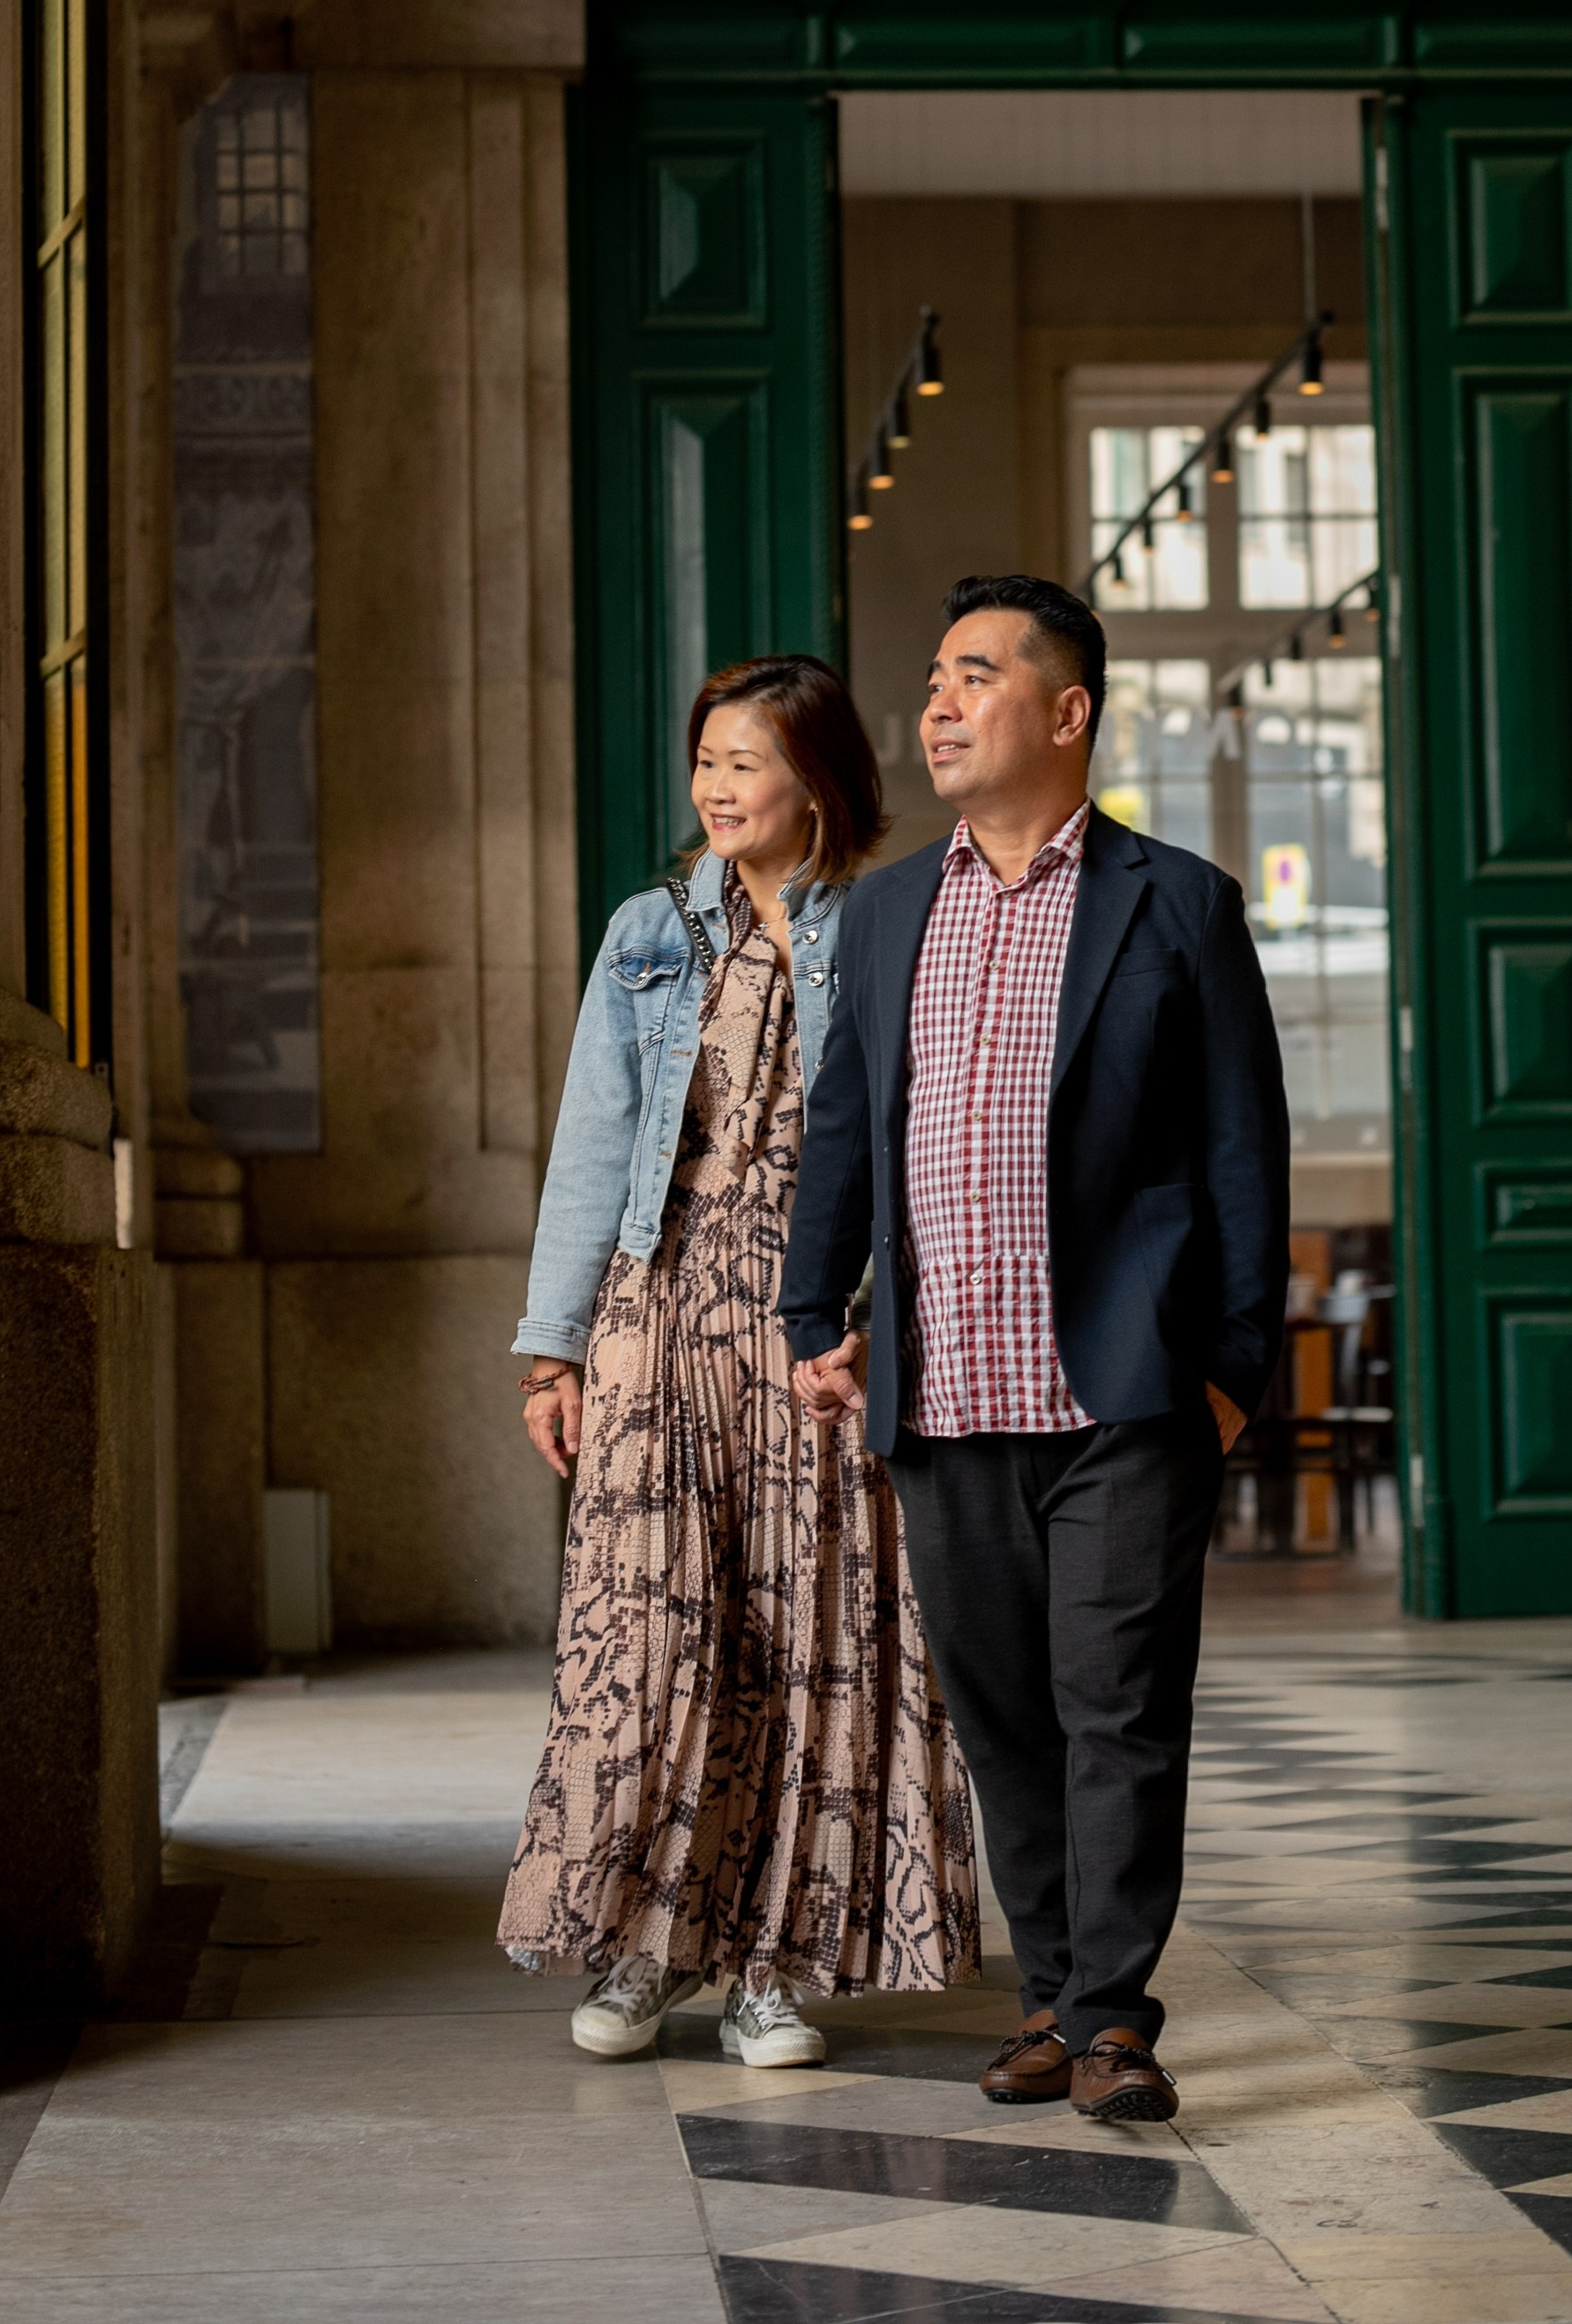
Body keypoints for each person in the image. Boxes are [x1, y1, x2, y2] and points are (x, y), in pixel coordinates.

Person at [781, 574, 1288, 2124]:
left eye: (975, 676)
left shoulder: (1175, 902)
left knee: (1117, 1705)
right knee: (1005, 1715)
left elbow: (1238, 1150)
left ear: (1066, 713)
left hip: (1123, 1389)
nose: (935, 704)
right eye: (931, 677)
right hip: (943, 1393)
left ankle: (1120, 2018)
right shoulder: (882, 912)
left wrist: (1229, 1374)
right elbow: (846, 1131)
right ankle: (1056, 1998)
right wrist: (814, 1314)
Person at [499, 654, 978, 2068]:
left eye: (745, 763)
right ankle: (645, 1947)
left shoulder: (890, 923)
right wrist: (552, 1352)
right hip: (658, 1307)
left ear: (817, 781)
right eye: (704, 761)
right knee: (647, 1633)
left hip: (814, 1318)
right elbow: (593, 1145)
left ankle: (773, 1962)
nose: (715, 787)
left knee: (803, 1630)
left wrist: (895, 1323)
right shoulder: (648, 931)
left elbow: (914, 1143)